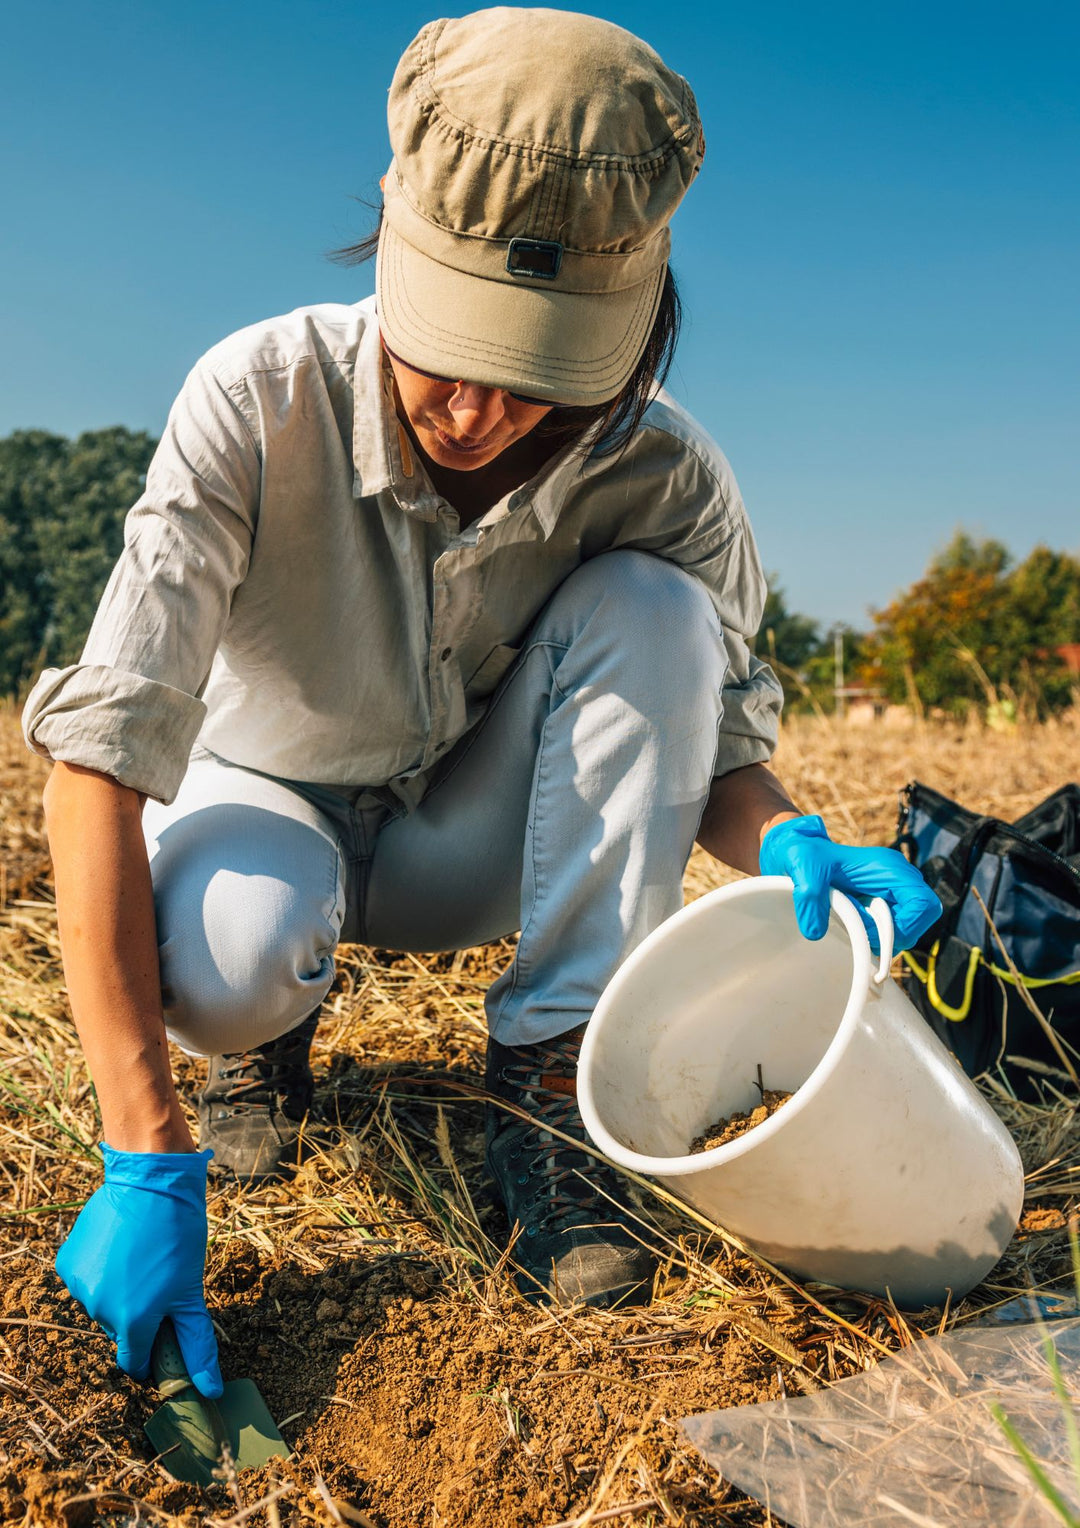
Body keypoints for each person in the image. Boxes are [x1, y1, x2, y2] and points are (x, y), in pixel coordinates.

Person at [23, 9, 940, 1401]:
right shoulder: (253, 398)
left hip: (464, 835)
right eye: (449, 348)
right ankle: (269, 1054)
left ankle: (551, 1085)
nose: (476, 411)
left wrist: (792, 844)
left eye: (537, 372)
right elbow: (96, 764)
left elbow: (712, 761)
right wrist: (144, 1154)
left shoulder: (668, 479)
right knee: (231, 960)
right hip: (265, 801)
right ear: (392, 246)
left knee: (657, 608)